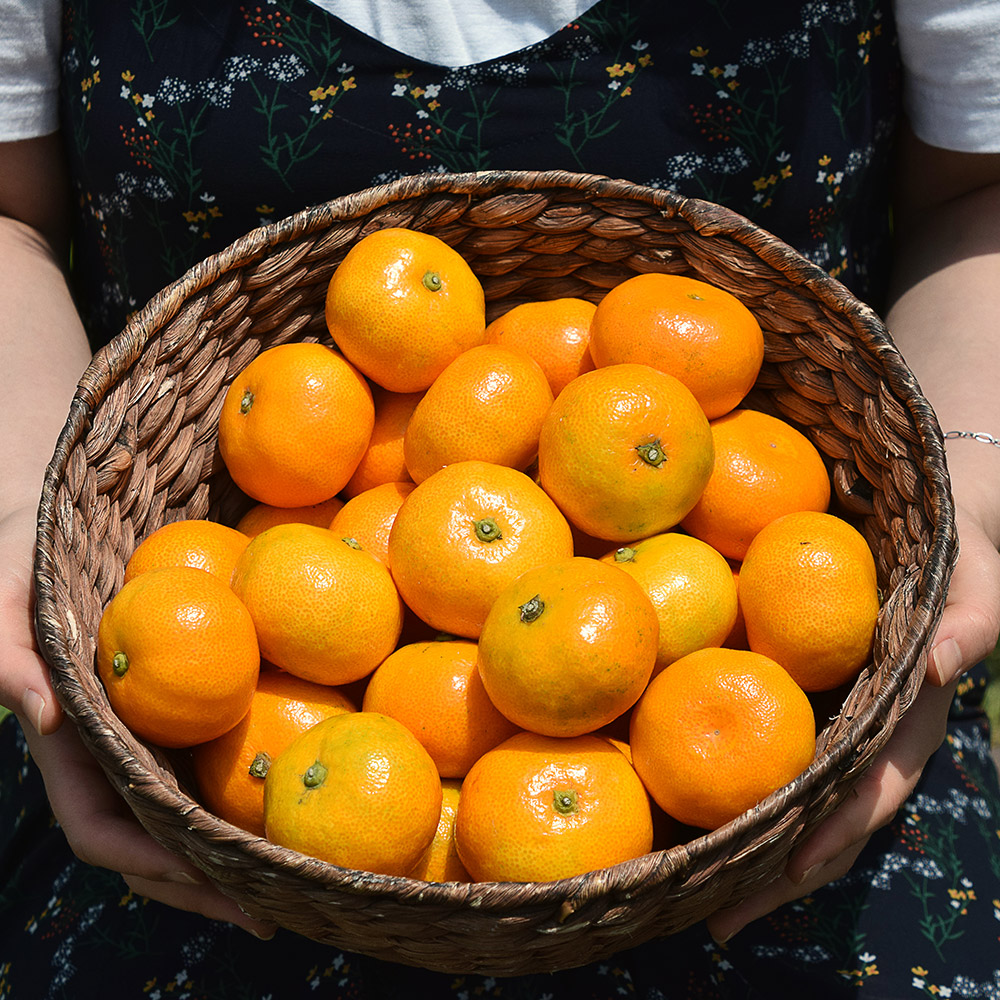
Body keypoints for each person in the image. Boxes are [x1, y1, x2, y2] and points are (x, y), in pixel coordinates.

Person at [1, 1, 999, 995]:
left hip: (826, 776)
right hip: (189, 817)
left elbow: (977, 199)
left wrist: (965, 483)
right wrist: (21, 521)